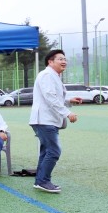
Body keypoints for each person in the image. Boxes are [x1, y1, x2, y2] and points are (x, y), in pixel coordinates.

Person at [29, 49, 81, 193]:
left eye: (65, 59)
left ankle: (40, 181)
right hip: (44, 120)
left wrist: (69, 100)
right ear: (50, 62)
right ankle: (43, 181)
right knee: (54, 150)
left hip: (47, 119)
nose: (64, 61)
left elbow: (54, 97)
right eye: (60, 59)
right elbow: (50, 97)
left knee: (46, 151)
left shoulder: (53, 76)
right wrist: (67, 112)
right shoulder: (47, 75)